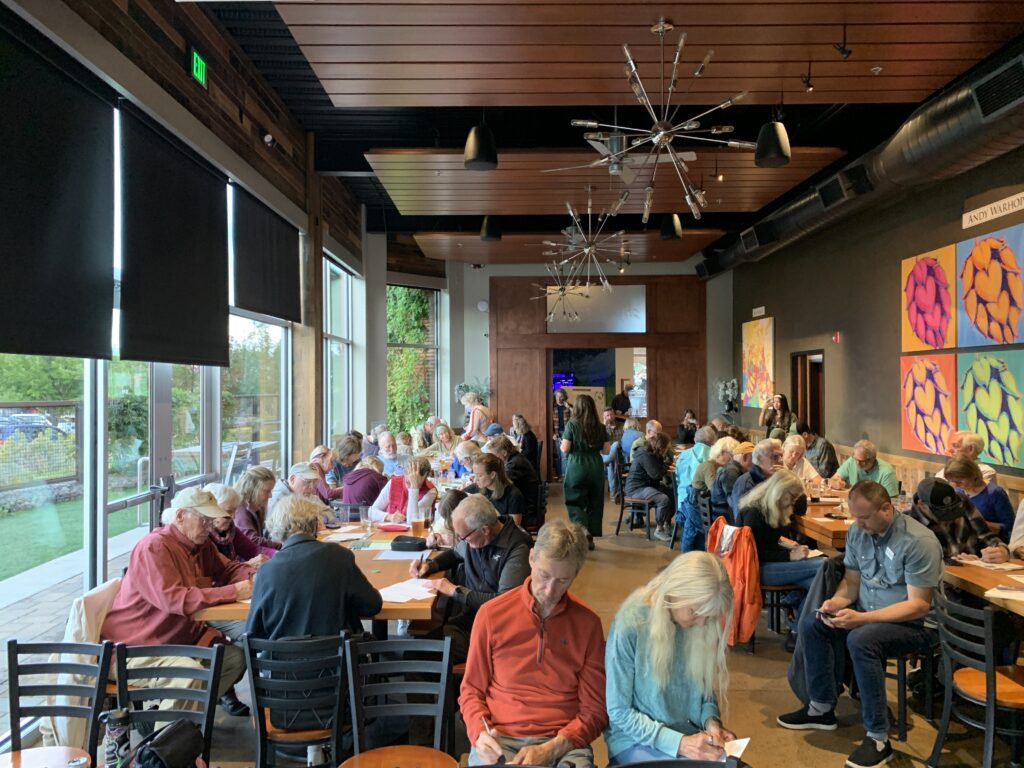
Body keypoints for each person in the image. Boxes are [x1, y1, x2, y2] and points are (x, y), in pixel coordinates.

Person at [778, 480, 942, 768]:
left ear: (887, 510)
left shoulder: (919, 541)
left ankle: (878, 738)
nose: (859, 524)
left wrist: (861, 620)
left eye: (864, 518)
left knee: (861, 639)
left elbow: (919, 605)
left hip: (915, 626)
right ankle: (821, 707)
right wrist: (836, 603)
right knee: (813, 623)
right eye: (855, 517)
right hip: (867, 612)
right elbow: (851, 584)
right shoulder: (857, 532)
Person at [459, 520, 606, 767]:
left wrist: (552, 747)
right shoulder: (491, 614)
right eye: (544, 575)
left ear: (576, 575)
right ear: (531, 559)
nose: (549, 591)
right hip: (501, 737)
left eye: (562, 580)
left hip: (563, 742)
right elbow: (471, 690)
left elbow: (595, 710)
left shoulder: (588, 623)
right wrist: (479, 733)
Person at [100, 487, 255, 717]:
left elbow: (229, 569)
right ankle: (164, 749)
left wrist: (252, 576)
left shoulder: (201, 545)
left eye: (211, 520)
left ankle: (176, 720)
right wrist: (234, 591)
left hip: (180, 642)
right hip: (135, 650)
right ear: (181, 516)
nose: (209, 527)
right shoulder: (154, 547)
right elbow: (176, 599)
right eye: (204, 520)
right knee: (189, 676)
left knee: (235, 660)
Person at [604, 552, 736, 764]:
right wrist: (681, 743)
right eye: (695, 611)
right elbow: (619, 712)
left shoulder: (698, 622)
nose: (702, 623)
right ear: (674, 592)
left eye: (709, 616)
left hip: (687, 734)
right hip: (636, 741)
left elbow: (702, 691)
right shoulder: (631, 623)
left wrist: (712, 722)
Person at [409, 495, 532, 664]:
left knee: (416, 658)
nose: (462, 541)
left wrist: (455, 591)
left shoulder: (517, 549)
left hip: (495, 631)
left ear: (485, 529)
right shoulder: (475, 538)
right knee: (415, 649)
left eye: (463, 537)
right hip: (469, 619)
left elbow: (505, 602)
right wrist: (431, 566)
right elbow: (454, 554)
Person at [245, 494, 382, 641]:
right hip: (337, 659)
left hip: (280, 660)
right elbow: (372, 605)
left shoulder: (266, 571)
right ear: (315, 523)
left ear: (275, 528)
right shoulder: (339, 556)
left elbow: (253, 631)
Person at [737, 470, 824, 642]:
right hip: (757, 569)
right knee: (824, 565)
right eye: (792, 497)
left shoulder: (773, 507)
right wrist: (789, 556)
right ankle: (798, 620)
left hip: (771, 563)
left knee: (821, 581)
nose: (793, 502)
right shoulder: (753, 511)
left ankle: (797, 630)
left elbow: (770, 539)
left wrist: (787, 544)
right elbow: (755, 553)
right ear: (779, 491)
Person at [909, 476, 1009, 563]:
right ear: (922, 505)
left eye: (953, 509)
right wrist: (953, 562)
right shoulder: (909, 525)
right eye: (942, 512)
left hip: (977, 571)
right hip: (941, 581)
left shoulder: (961, 501)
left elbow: (986, 535)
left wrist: (1002, 549)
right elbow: (918, 565)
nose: (949, 517)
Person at [561, 394, 610, 550]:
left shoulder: (572, 425)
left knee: (574, 499)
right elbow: (606, 450)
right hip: (595, 465)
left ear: (577, 407)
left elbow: (565, 448)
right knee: (594, 501)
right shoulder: (601, 427)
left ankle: (582, 528)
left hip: (577, 465)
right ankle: (590, 536)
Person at [941, 456, 1013, 541]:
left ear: (973, 475)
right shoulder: (958, 491)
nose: (956, 485)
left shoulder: (995, 493)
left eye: (960, 481)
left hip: (991, 541)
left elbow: (1009, 525)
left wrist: (980, 524)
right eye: (952, 481)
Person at [624, 432, 674, 541]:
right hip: (636, 488)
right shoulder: (645, 454)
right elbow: (656, 474)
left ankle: (666, 524)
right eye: (666, 447)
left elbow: (658, 471)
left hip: (645, 486)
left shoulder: (652, 453)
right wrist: (666, 464)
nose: (667, 449)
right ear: (661, 446)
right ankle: (659, 530)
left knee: (671, 493)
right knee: (663, 499)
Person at [204, 483, 269, 567]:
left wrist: (278, 554)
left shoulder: (230, 530)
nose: (233, 517)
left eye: (235, 511)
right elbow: (215, 574)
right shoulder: (203, 536)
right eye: (229, 511)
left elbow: (253, 550)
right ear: (212, 510)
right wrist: (247, 565)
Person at [676, 426, 717, 552]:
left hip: (681, 503)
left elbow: (677, 479)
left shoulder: (683, 455)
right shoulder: (712, 458)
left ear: (695, 439)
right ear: (713, 441)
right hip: (700, 508)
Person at [369, 456, 437, 523]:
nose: (408, 478)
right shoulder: (394, 482)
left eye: (414, 477)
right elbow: (371, 512)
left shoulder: (430, 491)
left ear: (424, 477)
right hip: (390, 530)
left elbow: (412, 521)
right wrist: (389, 517)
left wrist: (414, 488)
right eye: (407, 473)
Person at [488, 435, 540, 523]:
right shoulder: (516, 458)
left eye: (495, 456)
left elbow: (502, 483)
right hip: (528, 501)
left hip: (527, 508)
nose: (494, 460)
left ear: (504, 452)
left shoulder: (514, 465)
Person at [729, 438, 783, 522]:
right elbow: (745, 524)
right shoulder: (747, 482)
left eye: (781, 456)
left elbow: (800, 508)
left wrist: (788, 479)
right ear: (760, 458)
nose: (781, 460)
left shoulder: (774, 478)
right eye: (775, 456)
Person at [233, 465, 281, 553]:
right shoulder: (240, 511)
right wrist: (280, 545)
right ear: (253, 489)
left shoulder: (256, 506)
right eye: (267, 491)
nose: (270, 495)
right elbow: (252, 541)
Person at [470, 453, 527, 525]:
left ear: (492, 475)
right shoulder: (477, 486)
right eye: (475, 474)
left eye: (480, 475)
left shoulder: (514, 496)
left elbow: (514, 527)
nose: (475, 480)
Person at [829, 439, 899, 496]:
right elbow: (833, 479)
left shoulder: (887, 472)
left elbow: (891, 501)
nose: (857, 463)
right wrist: (836, 483)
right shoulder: (852, 461)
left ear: (872, 459)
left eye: (862, 461)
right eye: (855, 459)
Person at [711, 441, 754, 524]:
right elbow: (735, 503)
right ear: (745, 457)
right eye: (753, 458)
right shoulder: (731, 473)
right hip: (724, 520)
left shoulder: (733, 468)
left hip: (724, 515)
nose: (755, 463)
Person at [601, 408, 624, 502]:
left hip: (619, 455)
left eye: (611, 415)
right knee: (612, 462)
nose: (610, 417)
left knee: (612, 462)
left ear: (614, 415)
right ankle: (616, 493)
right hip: (604, 454)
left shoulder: (622, 426)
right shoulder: (601, 428)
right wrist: (604, 426)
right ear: (604, 417)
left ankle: (613, 493)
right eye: (607, 415)